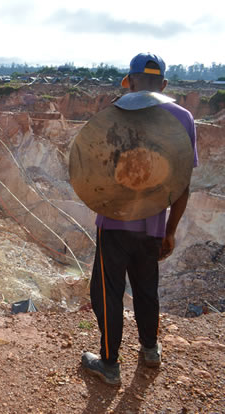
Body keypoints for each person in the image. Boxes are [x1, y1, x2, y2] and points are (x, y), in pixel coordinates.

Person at [81, 53, 199, 385]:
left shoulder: (112, 114)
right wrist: (170, 230)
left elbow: (93, 173)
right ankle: (150, 350)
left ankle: (109, 364)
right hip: (153, 223)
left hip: (113, 223)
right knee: (147, 288)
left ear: (130, 81)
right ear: (163, 85)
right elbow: (182, 184)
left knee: (108, 292)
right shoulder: (183, 117)